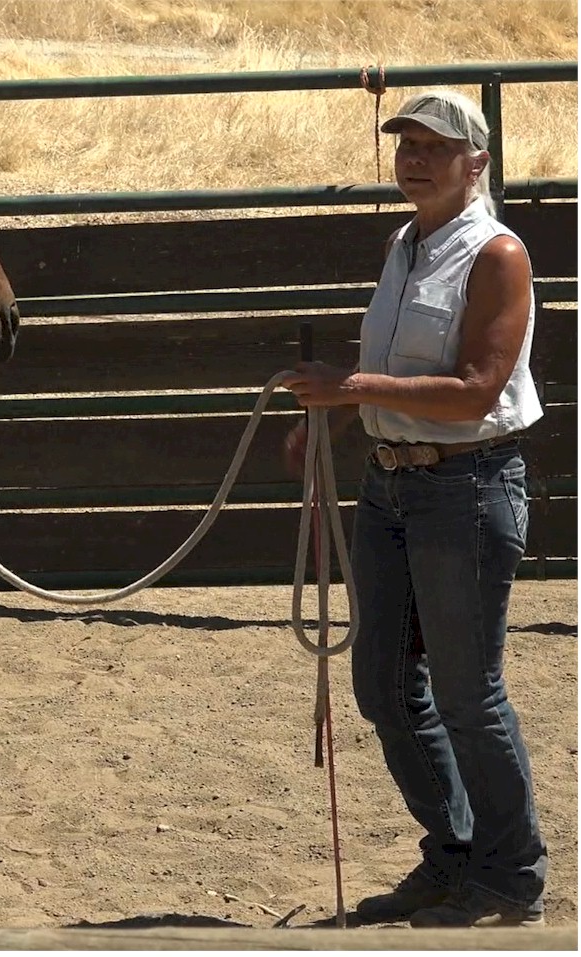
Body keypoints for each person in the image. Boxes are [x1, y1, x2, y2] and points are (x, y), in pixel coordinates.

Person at [282, 89, 547, 928]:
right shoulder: (404, 244)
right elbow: (400, 371)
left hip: (466, 486)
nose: (415, 157)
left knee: (468, 692)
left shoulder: (497, 254)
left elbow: (475, 394)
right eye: (405, 142)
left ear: (476, 163)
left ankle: (510, 874)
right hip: (396, 484)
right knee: (384, 686)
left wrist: (352, 388)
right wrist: (336, 417)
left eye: (435, 145)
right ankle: (455, 851)